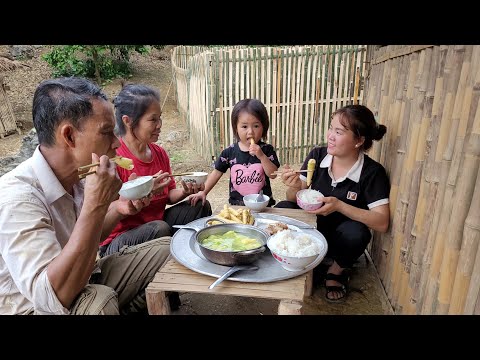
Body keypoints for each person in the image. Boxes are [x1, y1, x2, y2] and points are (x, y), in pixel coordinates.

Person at [0, 77, 170, 315]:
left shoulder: (79, 175)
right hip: (38, 307)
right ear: (69, 136)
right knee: (99, 303)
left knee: (169, 250)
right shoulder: (17, 198)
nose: (115, 144)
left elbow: (91, 235)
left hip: (87, 278)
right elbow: (50, 297)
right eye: (107, 133)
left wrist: (119, 208)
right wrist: (94, 204)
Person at [276, 104, 390, 302]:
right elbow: (292, 198)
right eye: (331, 128)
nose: (330, 135)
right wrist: (294, 186)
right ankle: (298, 257)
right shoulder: (318, 156)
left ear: (359, 140)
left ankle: (336, 270)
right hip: (309, 230)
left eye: (339, 132)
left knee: (358, 233)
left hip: (340, 237)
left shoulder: (372, 172)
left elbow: (382, 222)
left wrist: (340, 206)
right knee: (282, 208)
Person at [100, 83, 212, 258]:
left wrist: (185, 191)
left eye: (160, 118)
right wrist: (142, 189)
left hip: (156, 227)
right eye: (153, 120)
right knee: (160, 228)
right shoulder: (115, 158)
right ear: (128, 121)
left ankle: (188, 256)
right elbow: (105, 214)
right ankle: (172, 256)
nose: (159, 124)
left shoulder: (159, 153)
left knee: (199, 205)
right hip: (119, 242)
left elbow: (168, 196)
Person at [190, 98, 280, 207]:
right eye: (244, 126)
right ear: (236, 128)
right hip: (237, 207)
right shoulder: (229, 152)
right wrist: (203, 192)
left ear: (263, 127)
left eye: (256, 126)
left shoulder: (266, 150)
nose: (250, 131)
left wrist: (261, 156)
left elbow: (273, 174)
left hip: (263, 207)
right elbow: (216, 173)